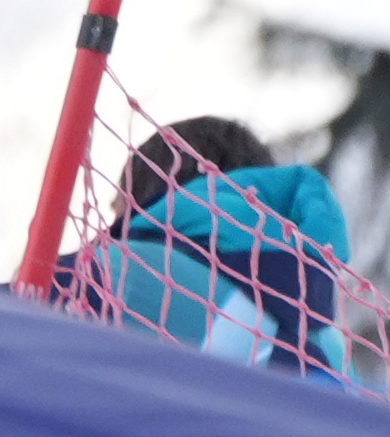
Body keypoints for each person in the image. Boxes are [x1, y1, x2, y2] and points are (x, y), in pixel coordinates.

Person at [94, 116, 353, 375]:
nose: (111, 220)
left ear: (148, 194)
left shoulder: (124, 271)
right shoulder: (331, 343)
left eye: (119, 202)